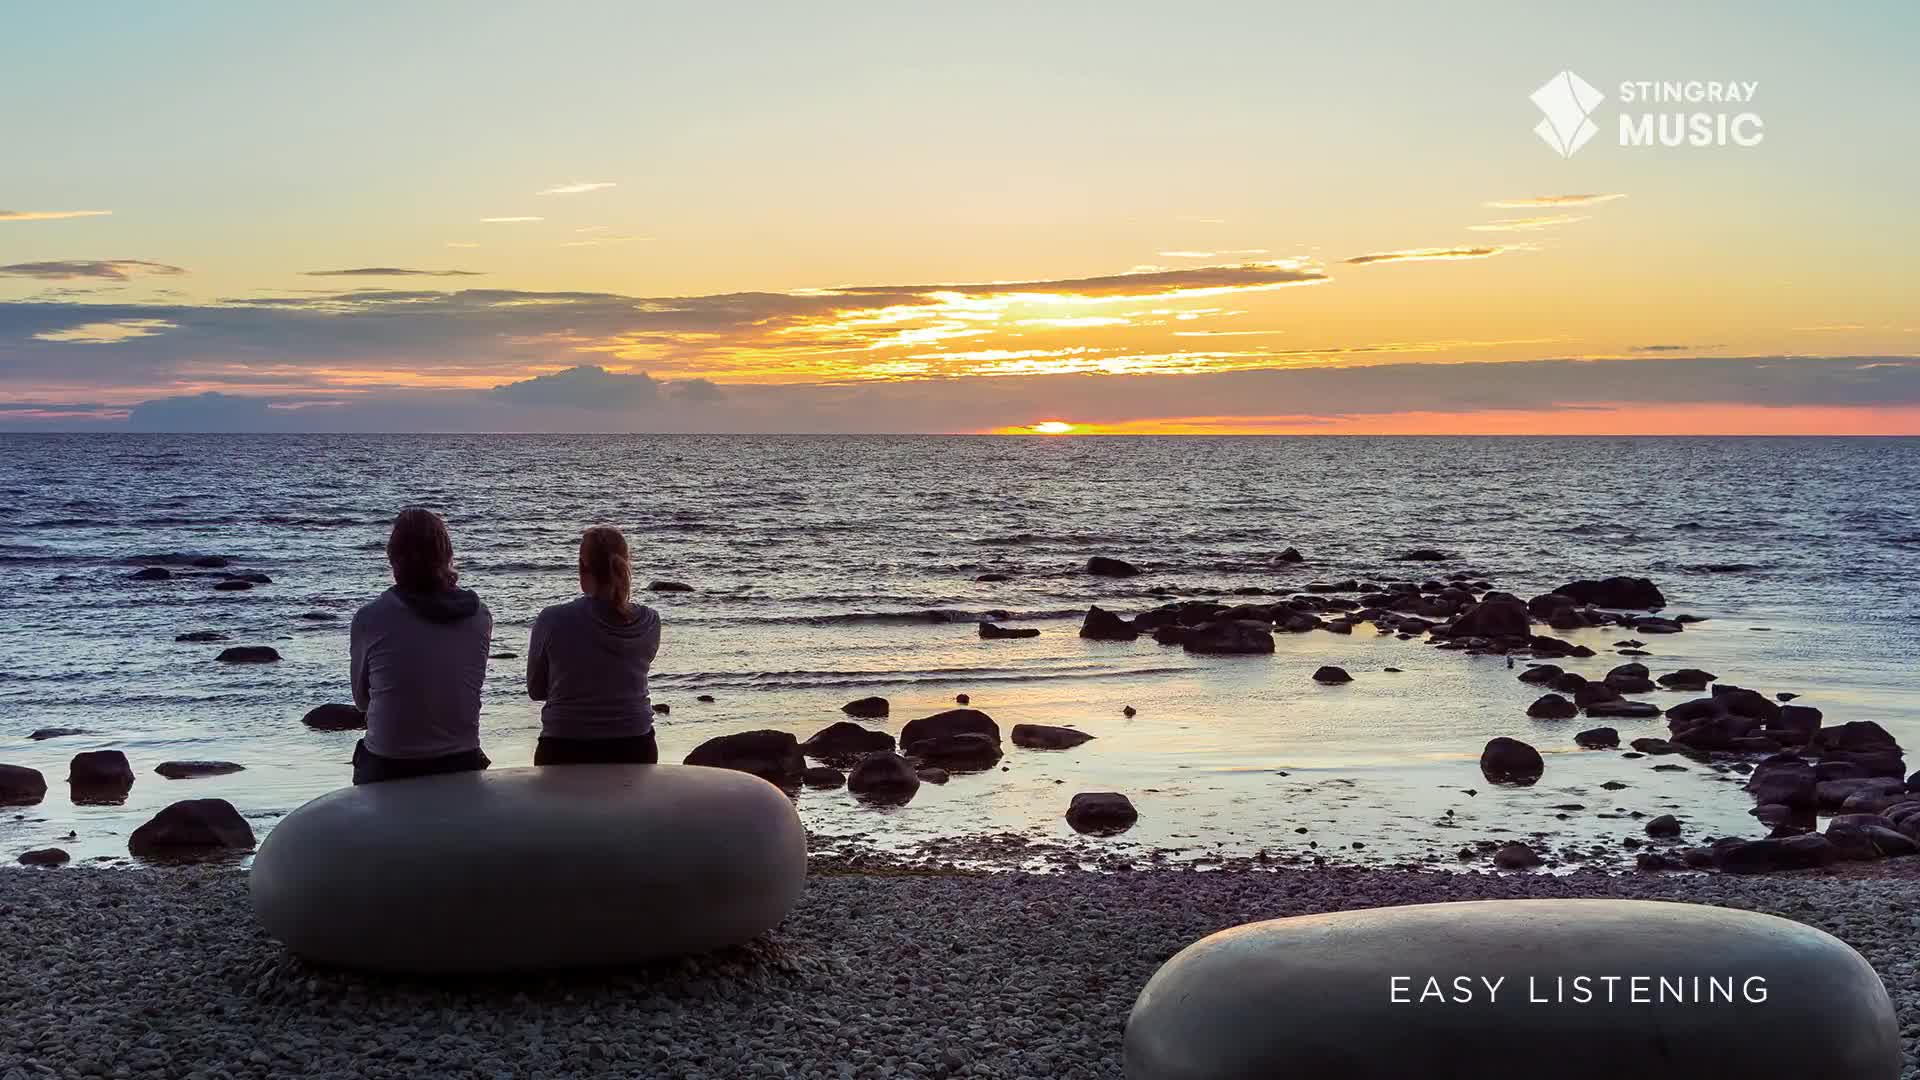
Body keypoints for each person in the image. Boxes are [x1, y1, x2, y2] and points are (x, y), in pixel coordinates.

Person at [348, 507, 494, 784]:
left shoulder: (371, 618)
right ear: (446, 556)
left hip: (389, 764)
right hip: (461, 759)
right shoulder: (479, 616)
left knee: (363, 753)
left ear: (393, 557)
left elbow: (362, 701)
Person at [527, 525, 662, 765]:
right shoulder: (650, 621)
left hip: (565, 746)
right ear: (625, 565)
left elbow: (536, 690)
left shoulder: (553, 618)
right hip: (635, 744)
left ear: (582, 567)